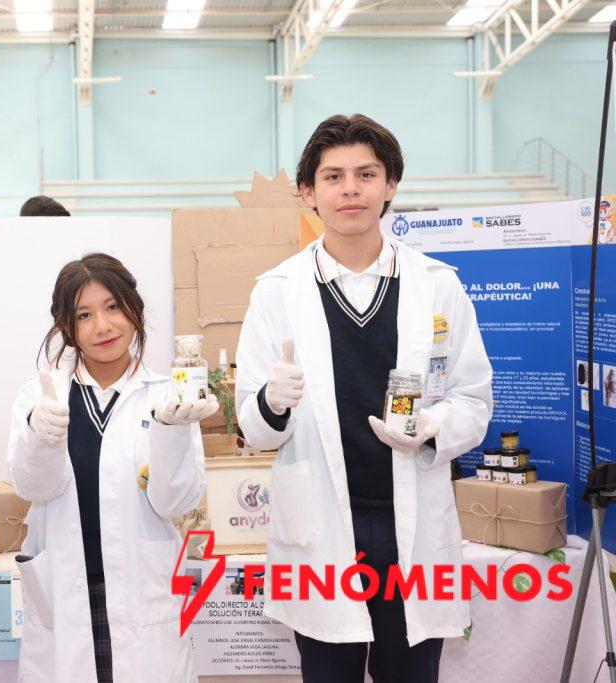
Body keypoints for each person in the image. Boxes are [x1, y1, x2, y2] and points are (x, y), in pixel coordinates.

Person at [235, 114, 492, 683]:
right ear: (309, 192)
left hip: (411, 524)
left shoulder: (437, 284)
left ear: (390, 184)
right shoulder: (276, 293)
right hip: (323, 526)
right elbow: (254, 428)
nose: (350, 189)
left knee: (412, 673)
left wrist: (432, 427)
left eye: (366, 174)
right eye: (333, 177)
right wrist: (273, 402)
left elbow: (474, 399)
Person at [7, 253, 215, 682]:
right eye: (84, 315)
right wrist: (40, 437)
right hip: (67, 595)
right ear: (67, 327)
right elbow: (33, 488)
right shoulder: (42, 396)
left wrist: (170, 432)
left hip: (142, 596)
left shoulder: (167, 395)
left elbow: (176, 502)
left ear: (134, 309)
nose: (102, 326)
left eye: (113, 307)